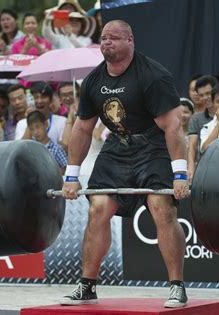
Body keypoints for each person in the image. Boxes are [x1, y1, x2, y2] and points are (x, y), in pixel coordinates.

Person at [60, 20, 189, 308]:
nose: (106, 43)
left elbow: (173, 127)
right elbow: (82, 130)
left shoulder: (152, 75)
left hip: (154, 147)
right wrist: (71, 176)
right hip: (117, 146)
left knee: (161, 208)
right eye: (103, 39)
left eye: (114, 38)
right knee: (98, 209)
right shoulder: (93, 80)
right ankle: (87, 285)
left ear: (130, 40)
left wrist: (180, 173)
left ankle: (177, 286)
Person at [186, 75, 218, 181]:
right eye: (201, 95)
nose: (205, 98)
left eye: (208, 93)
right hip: (204, 169)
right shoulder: (196, 119)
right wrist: (191, 168)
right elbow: (192, 145)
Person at [15, 82, 67, 146]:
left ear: (50, 100)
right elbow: (21, 148)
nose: (39, 101)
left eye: (43, 97)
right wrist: (30, 122)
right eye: (36, 97)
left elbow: (65, 146)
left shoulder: (62, 121)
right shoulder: (22, 124)